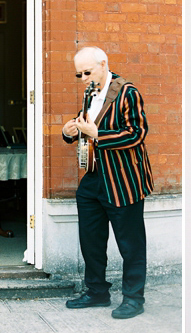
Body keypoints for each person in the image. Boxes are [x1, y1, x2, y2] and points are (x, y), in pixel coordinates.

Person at [62, 46, 153, 320]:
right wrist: (71, 132)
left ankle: (134, 299)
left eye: (87, 72)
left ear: (103, 64)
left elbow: (136, 134)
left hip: (123, 179)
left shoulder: (127, 92)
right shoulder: (90, 93)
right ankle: (97, 292)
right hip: (93, 178)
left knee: (131, 243)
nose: (83, 78)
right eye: (79, 74)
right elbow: (87, 135)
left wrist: (97, 134)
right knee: (90, 239)